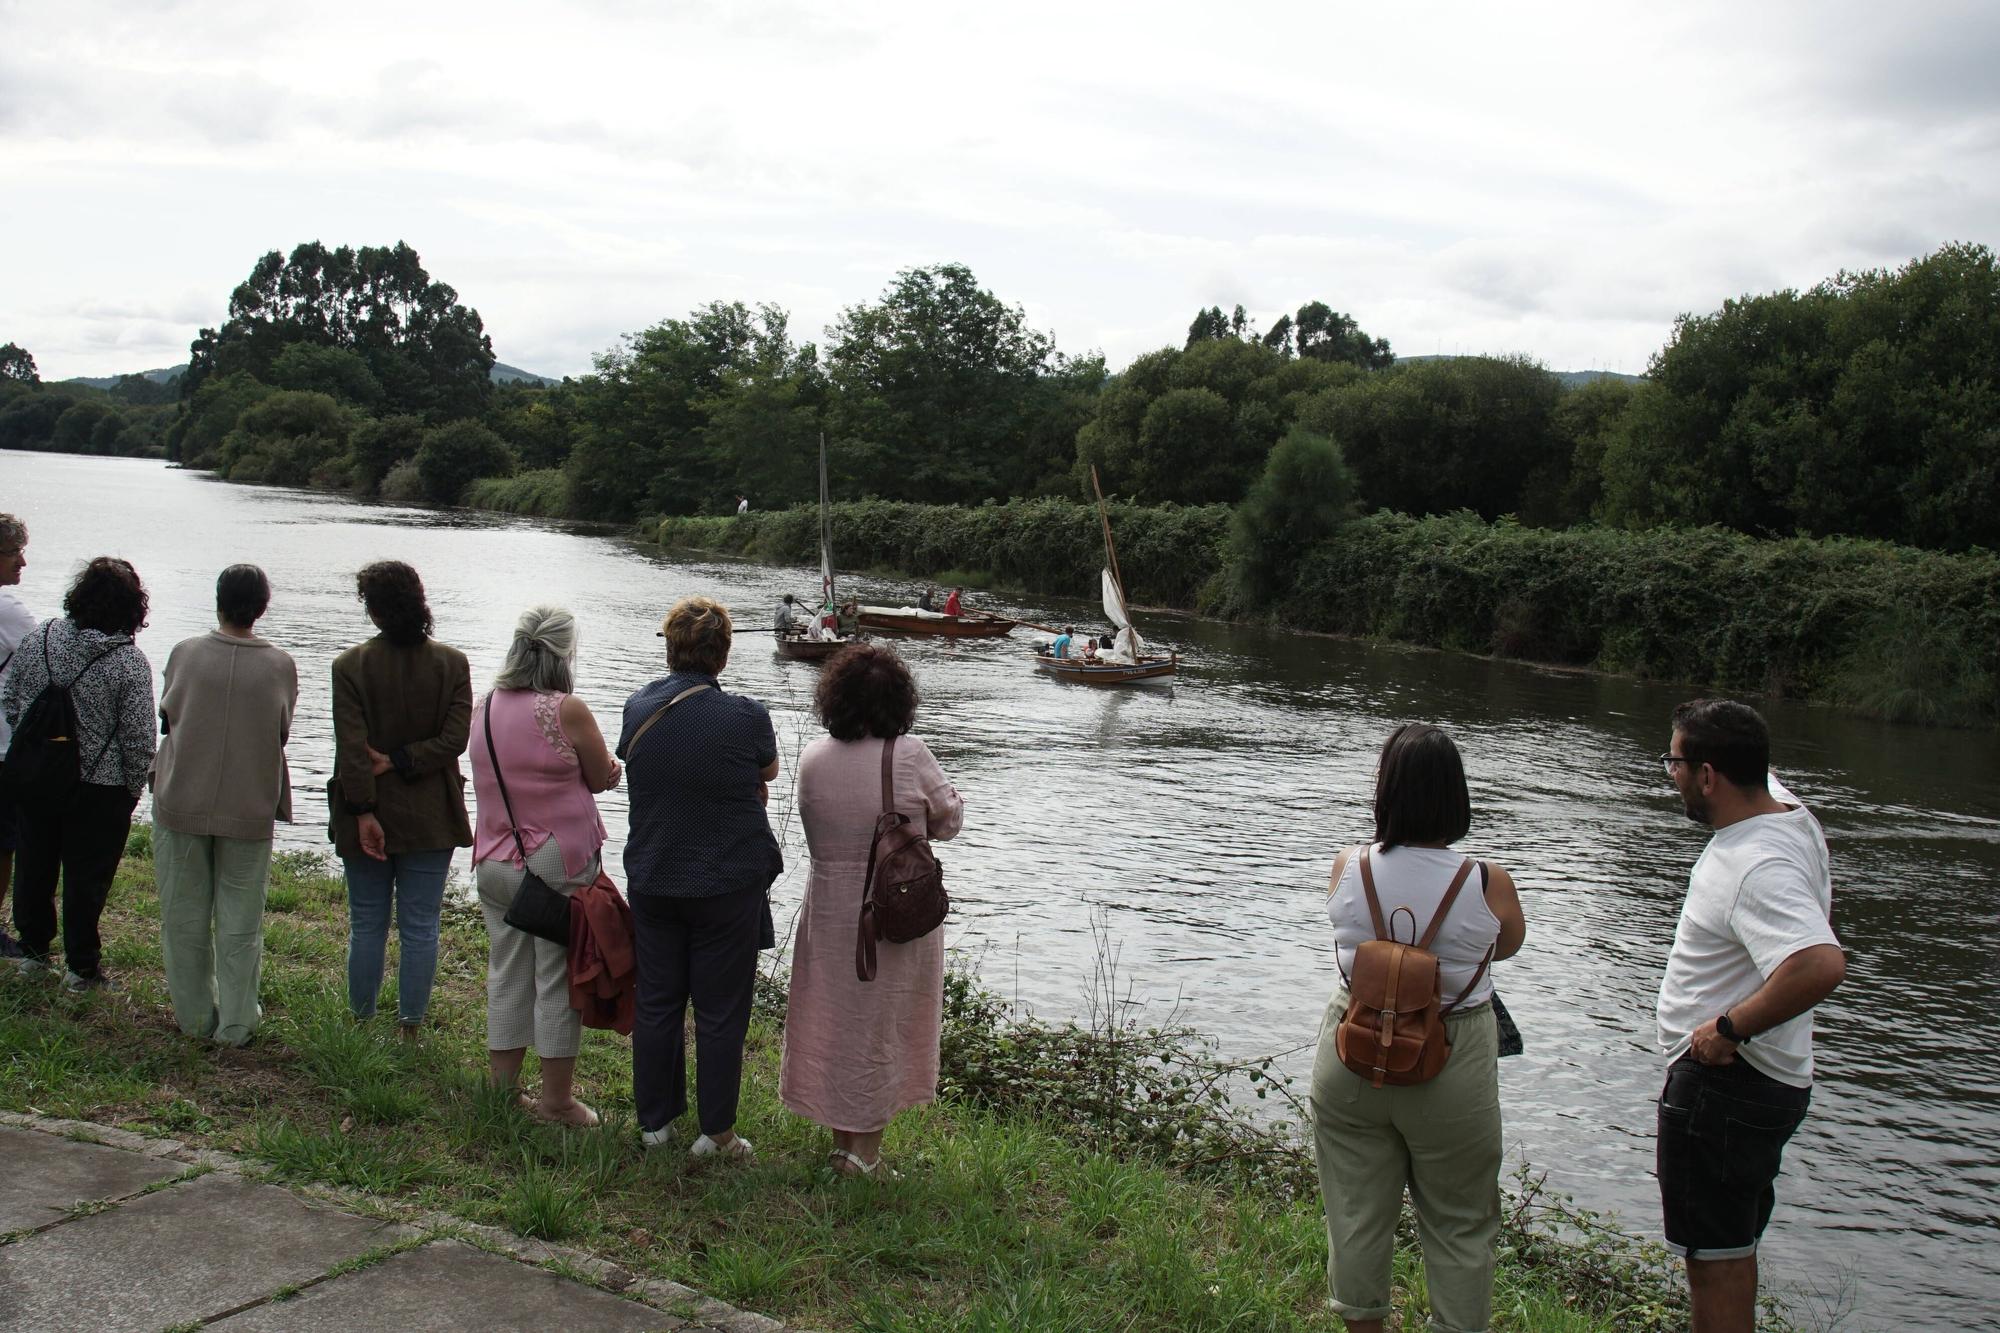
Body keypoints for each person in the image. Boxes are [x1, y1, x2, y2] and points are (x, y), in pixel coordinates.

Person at [1309, 722, 1526, 1333]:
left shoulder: (1348, 866)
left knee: (1354, 1213)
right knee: (1460, 1222)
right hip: (1449, 1061)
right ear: (1456, 796)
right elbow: (1504, 947)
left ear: (1385, 793)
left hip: (1351, 1051)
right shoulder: (1488, 881)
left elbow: (1342, 933)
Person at [1655, 700, 1845, 1333]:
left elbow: (1820, 963)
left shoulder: (1754, 865)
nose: (1669, 774)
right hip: (1765, 1083)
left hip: (1728, 1088)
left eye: (1674, 762)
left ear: (1710, 776)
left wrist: (1726, 1028)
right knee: (1731, 1248)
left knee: (1715, 1264)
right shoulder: (1785, 814)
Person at [781, 643, 962, 1176]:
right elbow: (947, 821)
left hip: (829, 909)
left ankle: (845, 1145)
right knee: (883, 1025)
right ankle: (864, 1157)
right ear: (900, 701)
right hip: (890, 911)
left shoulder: (814, 757)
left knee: (838, 1021)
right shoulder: (909, 754)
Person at [618, 595, 782, 1161]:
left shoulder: (637, 707)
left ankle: (656, 1125)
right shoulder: (746, 714)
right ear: (724, 654)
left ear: (670, 647)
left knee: (657, 1002)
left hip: (654, 877)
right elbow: (767, 770)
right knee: (720, 1012)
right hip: (725, 883)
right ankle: (716, 1134)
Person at [469, 606, 621, 1126]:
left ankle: (503, 1091)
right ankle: (556, 1103)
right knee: (557, 978)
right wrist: (613, 771)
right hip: (553, 861)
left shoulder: (483, 704)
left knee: (507, 971)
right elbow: (600, 777)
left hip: (492, 857)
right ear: (564, 653)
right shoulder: (565, 709)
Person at [150, 565, 298, 1045]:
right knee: (241, 919)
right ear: (263, 606)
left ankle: (193, 1017)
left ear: (218, 600)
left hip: (181, 796)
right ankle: (236, 1022)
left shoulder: (185, 653)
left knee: (184, 914)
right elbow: (282, 730)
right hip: (249, 803)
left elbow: (168, 716)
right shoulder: (280, 664)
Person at [329, 561, 472, 1036]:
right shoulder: (452, 663)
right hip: (431, 814)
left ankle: (360, 1020)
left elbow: (352, 751)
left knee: (367, 923)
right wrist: (406, 759)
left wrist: (364, 809)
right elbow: (455, 741)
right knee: (420, 926)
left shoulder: (349, 666)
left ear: (372, 611)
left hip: (365, 810)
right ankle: (410, 1027)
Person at [2, 557, 157, 990]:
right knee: (87, 880)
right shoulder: (128, 662)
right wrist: (131, 789)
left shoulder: (41, 638)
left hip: (37, 775)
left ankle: (33, 952)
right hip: (100, 788)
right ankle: (81, 968)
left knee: (34, 864)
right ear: (133, 608)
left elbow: (12, 698)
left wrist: (31, 748)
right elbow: (140, 739)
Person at [0, 514, 34, 959]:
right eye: (13, 554)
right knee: (3, 840)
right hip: (2, 745)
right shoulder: (8, 611)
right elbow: (49, 651)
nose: (23, 561)